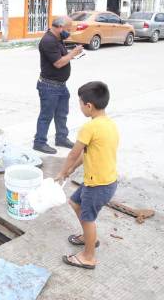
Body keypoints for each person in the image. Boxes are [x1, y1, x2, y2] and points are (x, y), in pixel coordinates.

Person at [55, 81, 118, 270]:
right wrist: (71, 170)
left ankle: (88, 256)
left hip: (97, 185)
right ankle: (88, 237)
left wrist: (62, 172)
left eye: (80, 103)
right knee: (75, 203)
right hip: (105, 181)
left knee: (88, 218)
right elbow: (85, 154)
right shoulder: (109, 124)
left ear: (88, 106)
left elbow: (74, 153)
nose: (80, 106)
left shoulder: (89, 128)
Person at [33, 16, 84, 154]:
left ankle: (61, 138)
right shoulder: (48, 41)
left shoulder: (57, 38)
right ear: (60, 27)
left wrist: (72, 52)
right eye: (68, 29)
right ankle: (39, 142)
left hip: (61, 85)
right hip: (49, 86)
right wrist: (73, 53)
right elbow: (59, 63)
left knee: (62, 114)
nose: (69, 32)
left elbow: (61, 56)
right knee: (46, 115)